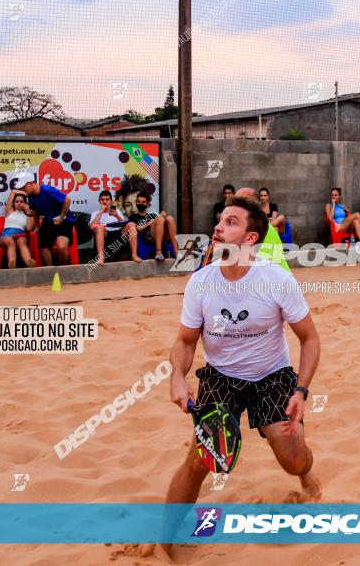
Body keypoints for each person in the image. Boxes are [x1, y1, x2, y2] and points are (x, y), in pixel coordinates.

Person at [163, 194, 322, 538]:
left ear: (251, 239)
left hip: (273, 375)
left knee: (292, 459)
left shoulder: (276, 280)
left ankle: (304, 471)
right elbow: (186, 342)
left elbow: (310, 339)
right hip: (221, 376)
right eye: (220, 220)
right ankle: (163, 539)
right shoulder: (201, 282)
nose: (218, 226)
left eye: (230, 222)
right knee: (199, 461)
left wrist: (301, 389)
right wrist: (177, 375)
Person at [17, 173, 75, 266]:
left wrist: (60, 218)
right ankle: (51, 272)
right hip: (48, 221)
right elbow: (35, 211)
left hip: (64, 220)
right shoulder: (30, 196)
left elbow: (67, 200)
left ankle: (63, 271)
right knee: (43, 247)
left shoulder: (47, 190)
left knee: (62, 246)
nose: (22, 190)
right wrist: (36, 226)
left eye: (24, 187)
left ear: (31, 183)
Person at [127, 190, 179, 263]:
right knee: (160, 219)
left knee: (169, 218)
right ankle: (158, 252)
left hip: (162, 237)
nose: (140, 204)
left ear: (148, 204)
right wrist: (150, 223)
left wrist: (165, 215)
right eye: (139, 202)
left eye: (143, 202)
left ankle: (176, 251)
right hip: (147, 238)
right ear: (136, 202)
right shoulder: (133, 216)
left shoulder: (152, 215)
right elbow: (136, 229)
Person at [89, 191, 132, 266]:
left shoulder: (116, 211)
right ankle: (101, 258)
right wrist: (101, 211)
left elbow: (125, 224)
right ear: (99, 201)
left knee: (131, 225)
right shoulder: (95, 213)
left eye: (107, 199)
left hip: (118, 234)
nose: (105, 202)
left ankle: (134, 255)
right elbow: (92, 226)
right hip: (104, 235)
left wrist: (116, 215)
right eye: (102, 200)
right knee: (99, 227)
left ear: (111, 201)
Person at [0, 189, 35, 269]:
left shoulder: (27, 215)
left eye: (21, 202)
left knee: (21, 241)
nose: (19, 203)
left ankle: (29, 261)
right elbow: (13, 192)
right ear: (13, 203)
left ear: (25, 204)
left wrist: (28, 212)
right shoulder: (9, 211)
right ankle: (12, 263)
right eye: (17, 201)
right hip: (6, 235)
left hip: (20, 235)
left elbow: (29, 228)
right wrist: (25, 194)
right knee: (11, 242)